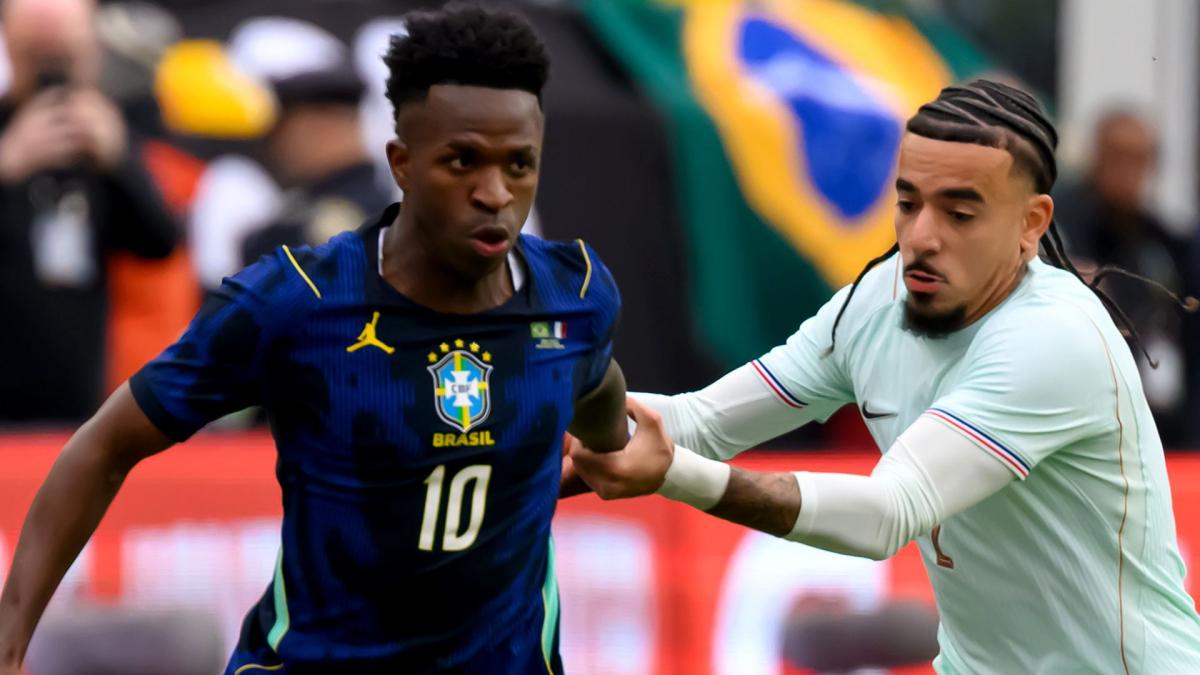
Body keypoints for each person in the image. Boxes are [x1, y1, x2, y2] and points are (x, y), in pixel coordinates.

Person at [0, 5, 631, 674]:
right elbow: (104, 445)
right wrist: (8, 648)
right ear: (403, 162)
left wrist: (612, 443)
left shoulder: (577, 294)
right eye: (463, 161)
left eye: (519, 165)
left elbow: (600, 397)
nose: (495, 193)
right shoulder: (298, 300)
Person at [567, 80, 1200, 673]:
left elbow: (884, 514)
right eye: (908, 202)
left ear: (1032, 224)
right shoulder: (878, 300)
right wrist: (536, 422)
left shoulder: (1054, 339)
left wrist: (671, 472)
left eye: (960, 213)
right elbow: (695, 421)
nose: (921, 237)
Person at [0, 0, 179, 424]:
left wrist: (120, 162)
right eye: (38, 56)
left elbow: (159, 243)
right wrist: (8, 164)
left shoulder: (103, 136)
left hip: (77, 392)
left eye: (66, 56)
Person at [1055, 110, 1195, 445]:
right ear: (1097, 156)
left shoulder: (1161, 241)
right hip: (1088, 411)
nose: (1128, 173)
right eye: (1119, 158)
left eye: (1139, 161)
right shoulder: (1060, 229)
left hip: (1159, 415)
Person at [239, 21, 393, 266]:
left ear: (321, 128)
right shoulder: (308, 204)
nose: (276, 146)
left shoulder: (338, 220)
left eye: (283, 130)